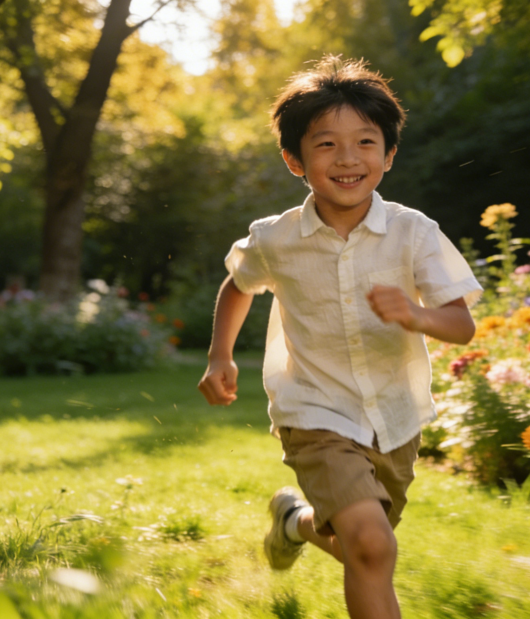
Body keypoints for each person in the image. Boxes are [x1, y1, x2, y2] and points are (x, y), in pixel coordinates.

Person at [198, 56, 482, 619]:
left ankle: (295, 523)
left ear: (389, 154)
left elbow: (461, 325)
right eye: (326, 144)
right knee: (372, 546)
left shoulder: (413, 232)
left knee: (366, 544)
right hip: (314, 411)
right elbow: (239, 285)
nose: (348, 158)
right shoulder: (276, 239)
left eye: (366, 142)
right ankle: (305, 523)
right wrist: (218, 356)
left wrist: (417, 316)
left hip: (394, 419)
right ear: (294, 160)